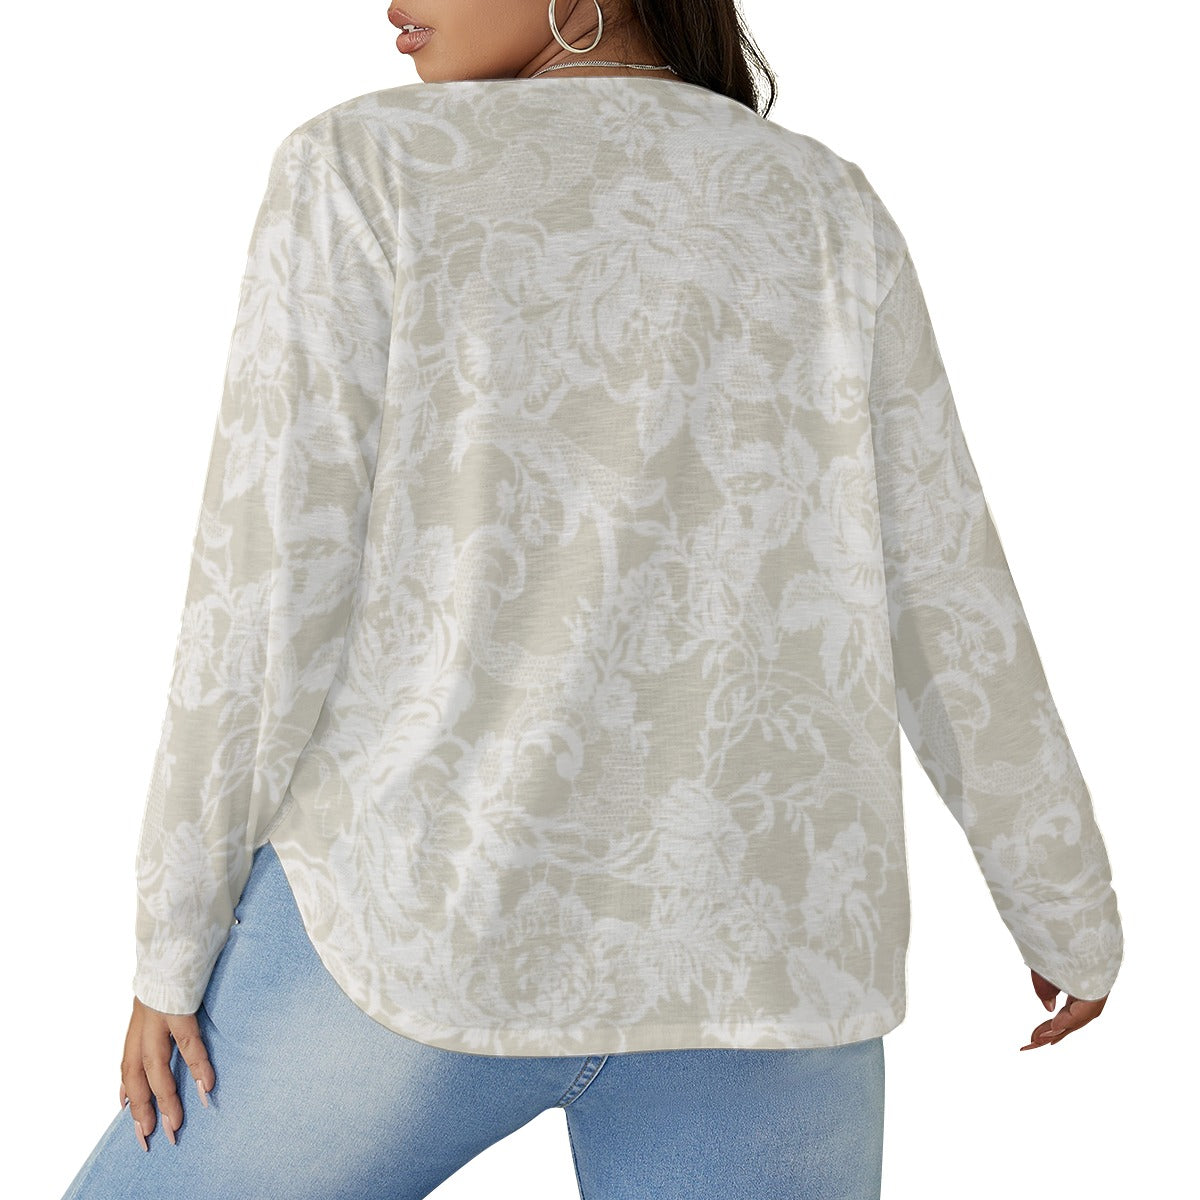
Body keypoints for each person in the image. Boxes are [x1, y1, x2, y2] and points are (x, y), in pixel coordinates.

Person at [60, 2, 1124, 1197]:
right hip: (769, 973)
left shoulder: (365, 168)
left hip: (417, 935)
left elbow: (263, 587)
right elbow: (946, 589)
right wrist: (1065, 906)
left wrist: (172, 942)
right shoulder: (825, 205)